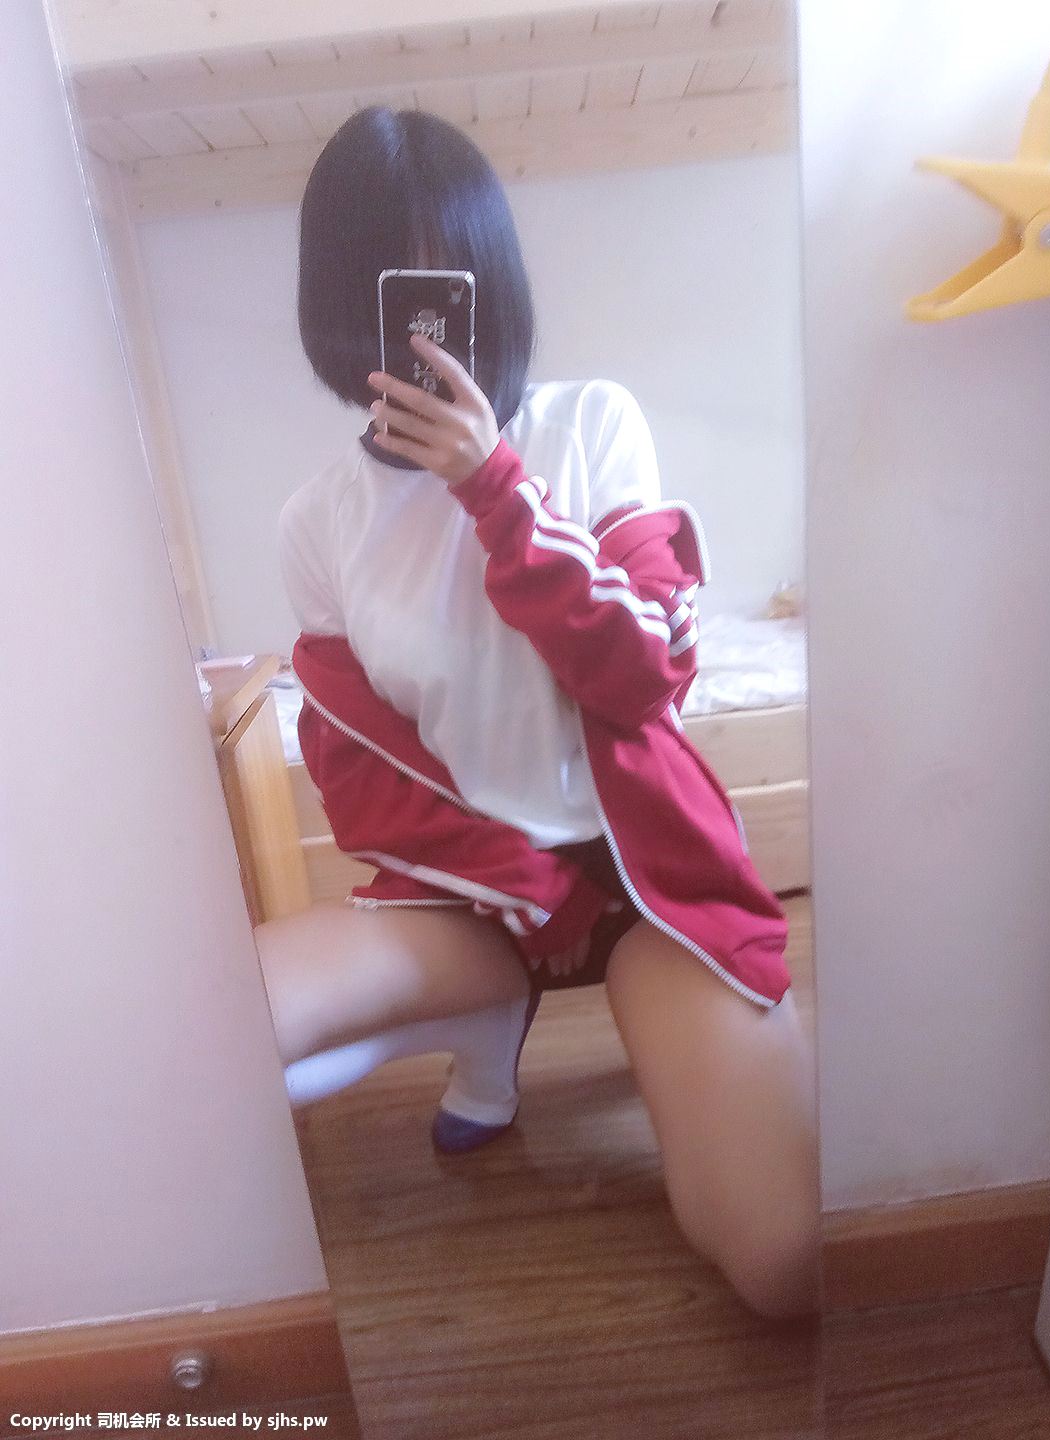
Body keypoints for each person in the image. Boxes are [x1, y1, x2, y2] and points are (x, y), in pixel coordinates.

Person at [254, 106, 820, 1320]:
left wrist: (494, 489)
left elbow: (645, 675)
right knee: (203, 1042)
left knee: (786, 1262)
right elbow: (361, 771)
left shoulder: (588, 425)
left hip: (641, 884)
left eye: (442, 288)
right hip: (468, 896)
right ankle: (492, 1008)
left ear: (490, 286)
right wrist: (523, 890)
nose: (417, 336)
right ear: (335, 309)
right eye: (383, 297)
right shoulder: (318, 522)